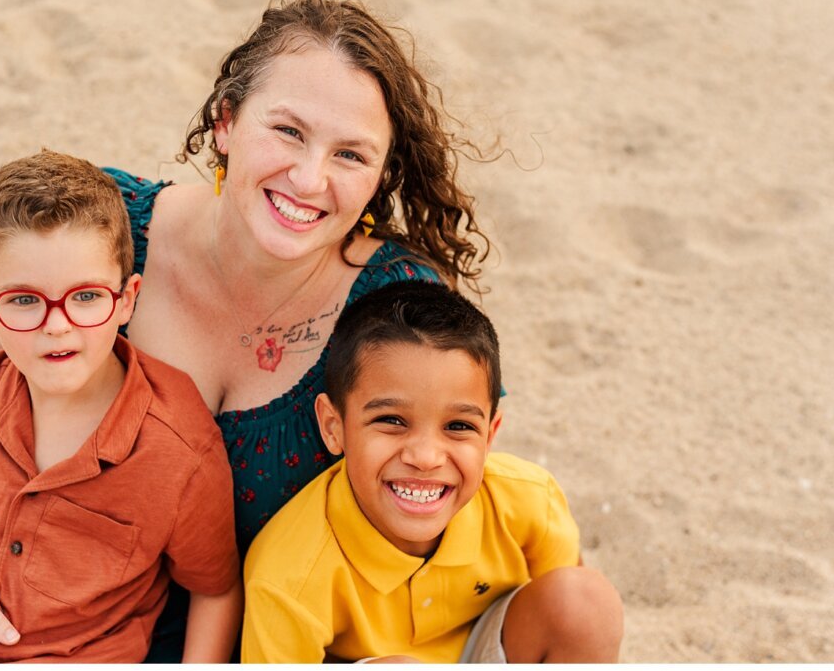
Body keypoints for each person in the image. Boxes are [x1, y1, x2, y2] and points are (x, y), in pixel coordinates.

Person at [0, 0, 492, 662]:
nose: (310, 177)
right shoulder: (111, 235)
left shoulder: (398, 306)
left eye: (351, 155)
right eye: (287, 131)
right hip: (2, 596)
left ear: (379, 175)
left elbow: (450, 489)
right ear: (226, 122)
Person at [0, 150, 241, 663]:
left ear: (127, 299)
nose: (57, 324)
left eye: (85, 297)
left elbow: (214, 589)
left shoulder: (178, 449)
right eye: (24, 300)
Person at [242, 281, 624, 663]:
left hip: (488, 644)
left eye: (458, 426)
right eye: (391, 420)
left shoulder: (527, 498)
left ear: (489, 435)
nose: (425, 457)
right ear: (333, 426)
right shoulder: (288, 574)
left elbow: (570, 625)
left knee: (584, 601)